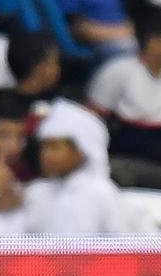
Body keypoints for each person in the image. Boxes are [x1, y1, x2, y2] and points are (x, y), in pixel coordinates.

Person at [20, 98, 154, 233]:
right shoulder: (36, 193)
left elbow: (122, 247)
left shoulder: (100, 194)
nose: (45, 155)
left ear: (80, 152)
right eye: (44, 147)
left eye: (54, 147)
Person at [87, 3, 161, 166]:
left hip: (158, 162)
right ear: (153, 41)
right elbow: (90, 122)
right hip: (119, 157)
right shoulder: (117, 71)